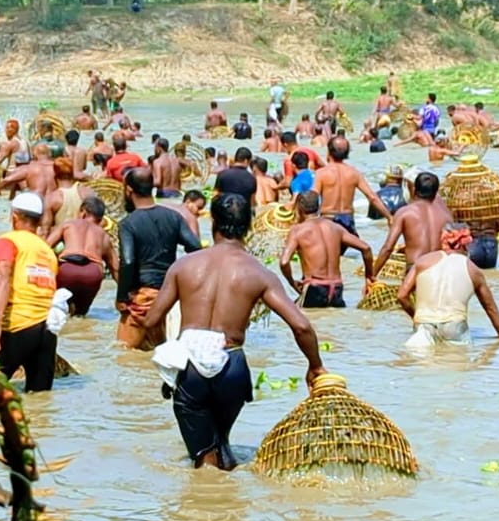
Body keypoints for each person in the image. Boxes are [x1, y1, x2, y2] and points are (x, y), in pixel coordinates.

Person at [142, 194, 327, 471]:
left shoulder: (183, 266)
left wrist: (171, 361)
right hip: (232, 365)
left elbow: (151, 320)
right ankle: (232, 504)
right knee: (221, 442)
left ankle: (209, 506)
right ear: (249, 226)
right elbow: (301, 325)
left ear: (213, 223)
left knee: (203, 459)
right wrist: (316, 366)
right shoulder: (259, 273)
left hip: (190, 367)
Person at [116, 167, 201, 350]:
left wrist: (122, 297)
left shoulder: (128, 224)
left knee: (125, 354)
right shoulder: (173, 217)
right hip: (169, 297)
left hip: (142, 296)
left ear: (129, 190)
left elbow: (128, 261)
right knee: (161, 352)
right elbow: (195, 248)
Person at [0, 192, 60, 392]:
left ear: (15, 216)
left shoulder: (8, 240)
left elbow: (3, 276)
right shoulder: (48, 251)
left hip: (19, 325)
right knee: (40, 397)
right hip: (48, 329)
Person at [397, 223, 499, 347]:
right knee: (457, 363)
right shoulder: (473, 270)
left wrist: (416, 317)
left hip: (423, 324)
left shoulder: (422, 262)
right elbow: (491, 309)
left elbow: (402, 296)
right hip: (454, 327)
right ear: (466, 244)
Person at [277, 191, 373, 308]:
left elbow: (284, 262)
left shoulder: (298, 231)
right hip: (337, 288)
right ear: (318, 207)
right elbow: (366, 248)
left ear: (299, 208)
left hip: (314, 287)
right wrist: (369, 276)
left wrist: (292, 283)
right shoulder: (336, 228)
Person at [373, 170, 449, 279]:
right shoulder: (446, 214)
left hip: (416, 268)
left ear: (414, 190)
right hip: (440, 268)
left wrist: (372, 276)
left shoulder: (405, 212)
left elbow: (388, 248)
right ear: (436, 191)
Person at [315, 136, 390, 236]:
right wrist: (389, 217)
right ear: (347, 154)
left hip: (328, 220)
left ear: (329, 152)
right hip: (347, 222)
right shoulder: (354, 173)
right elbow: (372, 197)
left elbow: (313, 197)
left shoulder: (321, 173)